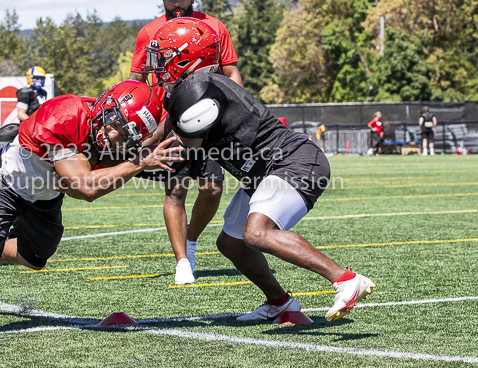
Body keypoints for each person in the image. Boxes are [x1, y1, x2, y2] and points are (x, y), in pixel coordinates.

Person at [142, 18, 375, 322]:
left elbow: (185, 142)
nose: (156, 65)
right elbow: (166, 128)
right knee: (231, 243)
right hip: (265, 172)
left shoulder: (196, 90)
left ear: (189, 58)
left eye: (164, 57)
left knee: (256, 233)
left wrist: (134, 154)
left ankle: (345, 279)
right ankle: (280, 303)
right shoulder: (194, 88)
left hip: (291, 161)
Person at [0, 80, 181, 334]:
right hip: (3, 181)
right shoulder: (66, 115)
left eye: (124, 135)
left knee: (35, 259)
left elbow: (78, 188)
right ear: (106, 107)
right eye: (114, 125)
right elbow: (87, 188)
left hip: (44, 195)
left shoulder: (111, 137)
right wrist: (138, 163)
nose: (112, 136)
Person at [130, 0, 243, 285]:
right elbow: (136, 80)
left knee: (212, 188)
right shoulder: (150, 32)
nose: (176, 4)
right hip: (171, 118)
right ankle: (182, 261)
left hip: (212, 116)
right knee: (176, 188)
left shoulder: (214, 26)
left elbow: (231, 72)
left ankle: (191, 240)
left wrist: (241, 104)